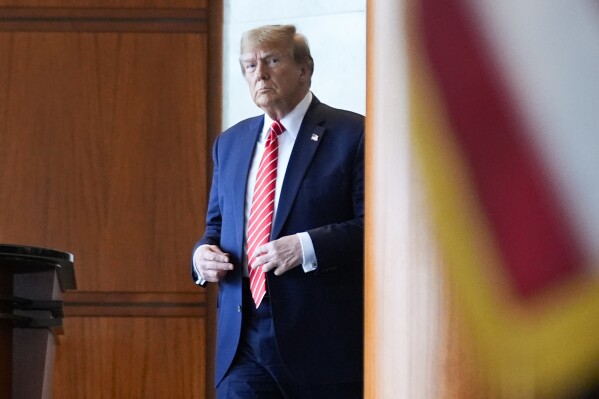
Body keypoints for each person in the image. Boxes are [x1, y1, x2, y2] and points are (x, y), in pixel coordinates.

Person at [192, 24, 364, 398]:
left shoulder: (354, 134)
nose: (260, 74)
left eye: (271, 60)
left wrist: (304, 247)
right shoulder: (231, 143)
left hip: (321, 346)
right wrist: (201, 256)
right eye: (249, 66)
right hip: (243, 343)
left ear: (304, 69)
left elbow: (375, 229)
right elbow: (216, 227)